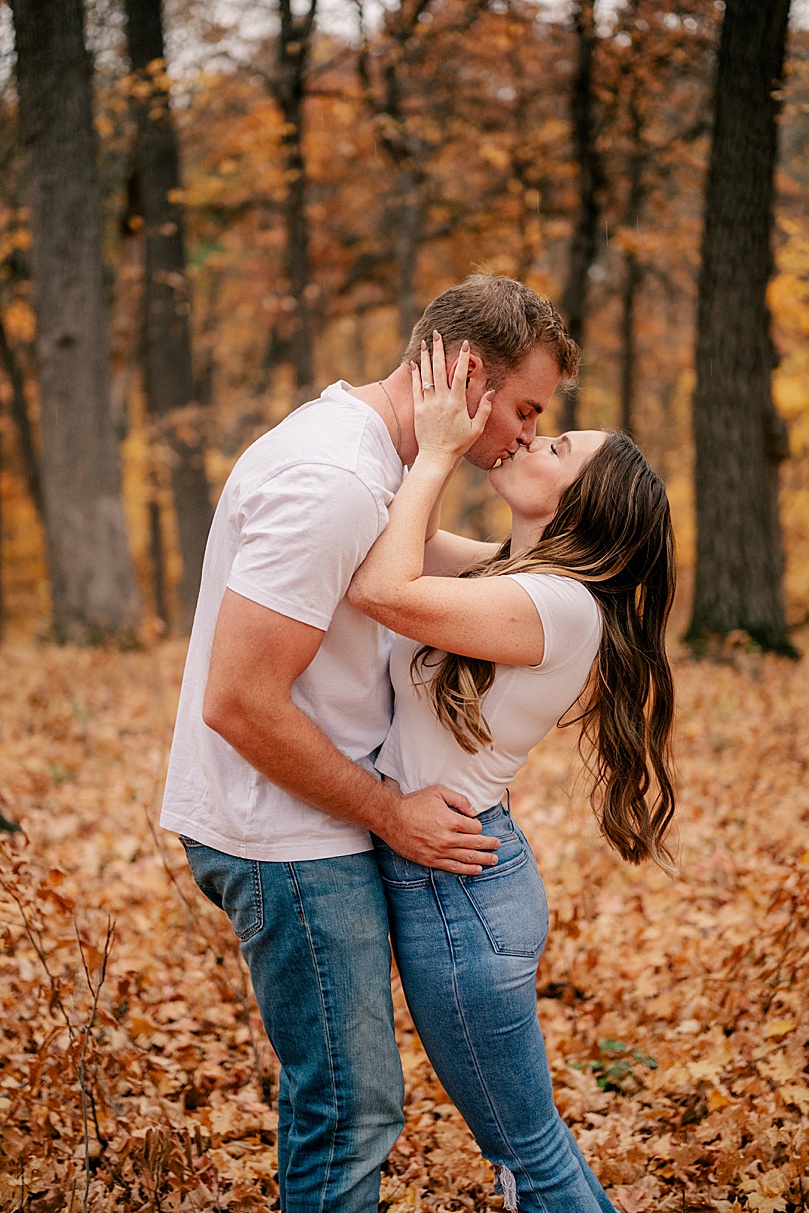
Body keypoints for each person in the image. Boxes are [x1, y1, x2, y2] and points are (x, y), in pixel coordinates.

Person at [159, 275, 581, 1212]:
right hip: (286, 829)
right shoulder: (334, 479)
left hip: (317, 811)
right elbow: (239, 700)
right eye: (521, 409)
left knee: (350, 1101)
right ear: (467, 376)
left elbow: (443, 564)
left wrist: (582, 569)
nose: (519, 434)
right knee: (349, 1111)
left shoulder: (377, 460)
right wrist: (391, 814)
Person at [348, 334, 676, 1212]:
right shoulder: (511, 572)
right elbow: (390, 538)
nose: (533, 438)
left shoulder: (555, 605)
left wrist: (446, 448)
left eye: (556, 446)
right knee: (524, 1155)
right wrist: (415, 430)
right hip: (461, 880)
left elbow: (383, 590)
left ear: (585, 504)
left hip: (460, 893)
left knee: (530, 1157)